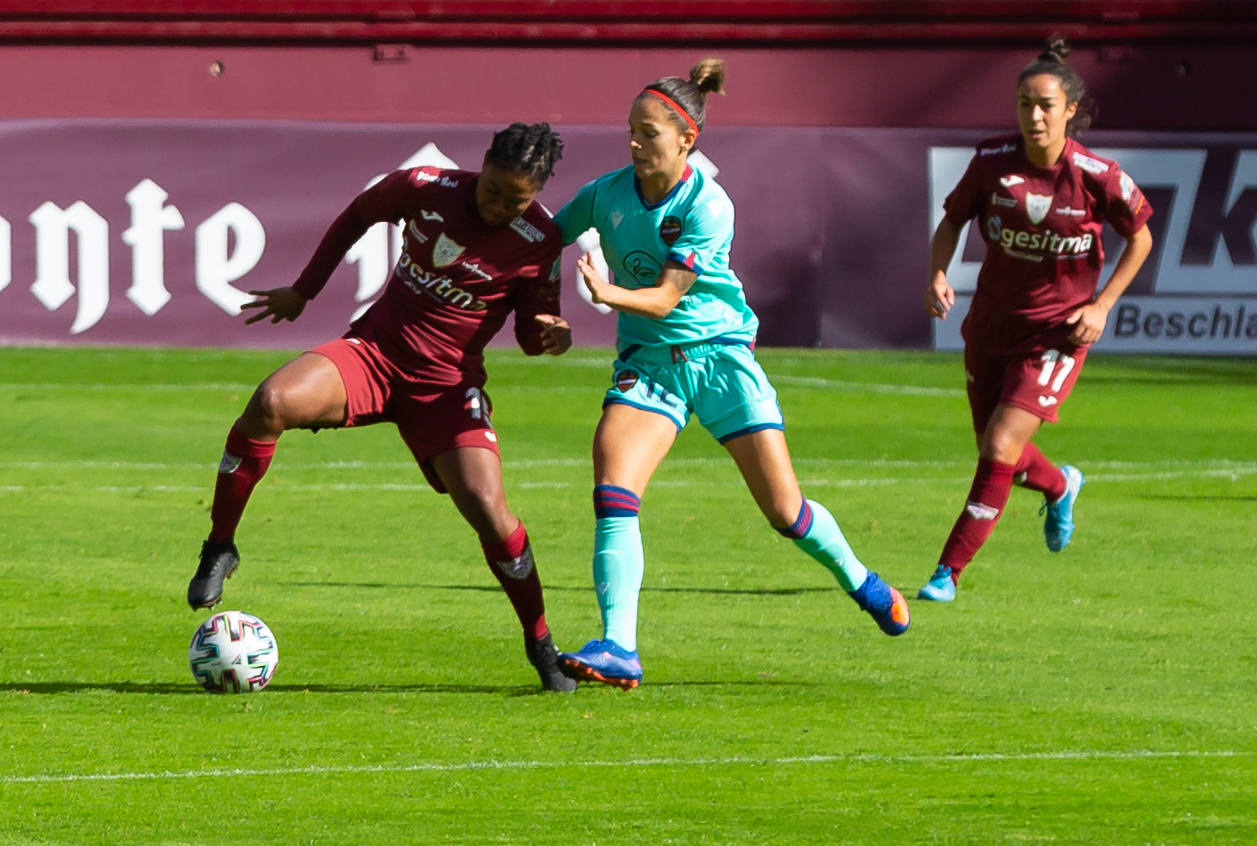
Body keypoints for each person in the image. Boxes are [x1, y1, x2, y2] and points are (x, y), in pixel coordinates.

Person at [551, 58, 910, 690]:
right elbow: (539, 241)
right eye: (630, 130)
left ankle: (864, 583)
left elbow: (666, 298)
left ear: (686, 139)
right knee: (613, 489)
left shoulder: (709, 205)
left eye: (648, 134)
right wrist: (534, 306)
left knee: (785, 511)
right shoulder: (606, 193)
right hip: (649, 365)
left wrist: (607, 294)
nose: (634, 144)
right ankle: (620, 647)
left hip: (720, 358)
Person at [185, 122, 579, 691]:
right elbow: (357, 215)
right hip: (373, 356)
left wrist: (551, 336)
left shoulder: (539, 240)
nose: (499, 206)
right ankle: (220, 546)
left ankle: (541, 644)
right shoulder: (425, 186)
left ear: (535, 194)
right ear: (483, 164)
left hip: (446, 388)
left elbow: (528, 333)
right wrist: (305, 290)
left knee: (492, 513)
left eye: (515, 200)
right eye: (493, 189)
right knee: (270, 402)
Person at [917, 38, 1154, 602]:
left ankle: (947, 572)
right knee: (997, 450)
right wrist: (937, 274)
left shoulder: (1097, 175)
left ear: (1070, 109)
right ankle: (1060, 484)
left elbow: (1141, 237)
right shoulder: (992, 162)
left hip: (1056, 334)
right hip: (990, 327)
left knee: (1000, 445)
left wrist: (1101, 306)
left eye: (1046, 105)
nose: (1035, 116)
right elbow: (952, 222)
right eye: (1025, 104)